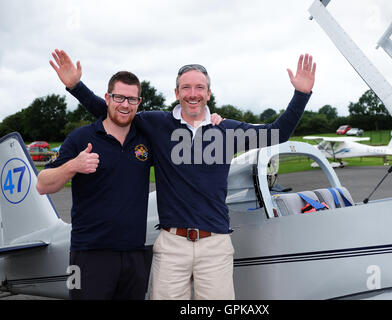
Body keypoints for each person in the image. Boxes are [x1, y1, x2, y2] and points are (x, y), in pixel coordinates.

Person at [53, 49, 316, 300]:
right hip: (171, 245)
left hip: (215, 244)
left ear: (209, 94)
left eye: (199, 88)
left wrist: (301, 94)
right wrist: (76, 87)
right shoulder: (156, 124)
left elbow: (276, 133)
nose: (193, 94)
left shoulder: (227, 130)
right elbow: (117, 111)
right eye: (186, 88)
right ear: (177, 93)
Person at [36, 71, 154, 300]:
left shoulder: (145, 140)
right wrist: (73, 165)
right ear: (107, 98)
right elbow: (42, 184)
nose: (125, 104)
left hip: (135, 255)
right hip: (88, 255)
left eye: (131, 99)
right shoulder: (81, 138)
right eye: (119, 97)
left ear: (139, 103)